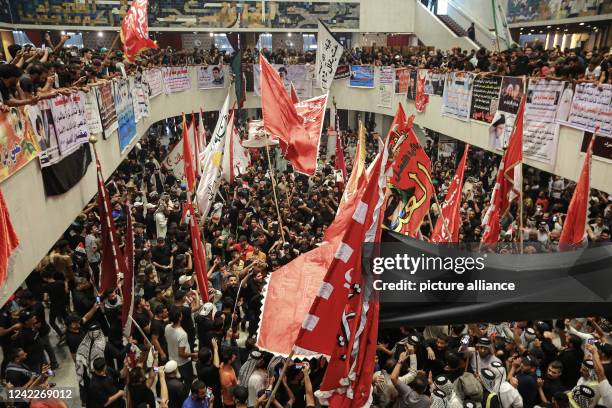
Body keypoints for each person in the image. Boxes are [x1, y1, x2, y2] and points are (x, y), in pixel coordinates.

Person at [165, 307, 197, 387]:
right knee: (188, 382)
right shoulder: (182, 334)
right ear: (180, 317)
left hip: (172, 359)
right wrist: (193, 354)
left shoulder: (167, 327)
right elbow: (181, 353)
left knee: (177, 380)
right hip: (183, 363)